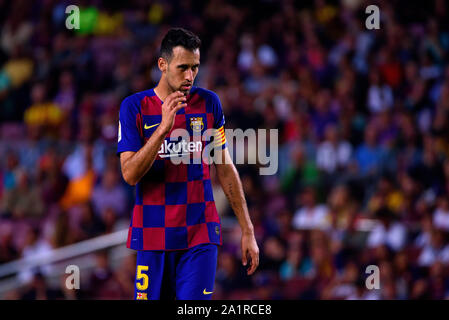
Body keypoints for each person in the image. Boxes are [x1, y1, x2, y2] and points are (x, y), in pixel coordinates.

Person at [117, 28, 259, 300]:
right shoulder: (133, 107)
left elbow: (225, 168)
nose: (190, 76)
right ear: (162, 64)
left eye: (195, 67)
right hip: (153, 237)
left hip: (199, 236)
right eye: (183, 68)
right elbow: (130, 174)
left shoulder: (209, 104)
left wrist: (247, 229)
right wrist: (162, 129)